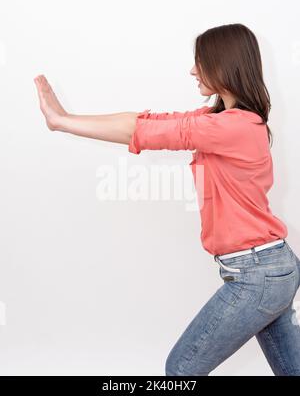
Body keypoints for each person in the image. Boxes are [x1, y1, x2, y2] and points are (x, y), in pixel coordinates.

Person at [34, 23, 300, 376]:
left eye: (200, 61)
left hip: (258, 276)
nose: (193, 70)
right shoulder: (220, 120)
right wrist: (64, 120)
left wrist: (62, 122)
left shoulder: (232, 127)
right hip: (269, 268)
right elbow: (148, 122)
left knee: (181, 369)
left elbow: (145, 131)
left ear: (224, 63)